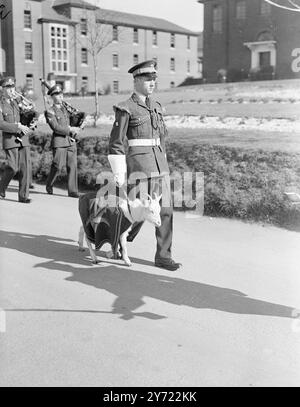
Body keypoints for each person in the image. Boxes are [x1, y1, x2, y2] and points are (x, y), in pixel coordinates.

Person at [108, 60, 182, 271]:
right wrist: (119, 172)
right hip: (139, 167)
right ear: (137, 80)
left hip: (160, 165)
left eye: (154, 79)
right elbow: (116, 142)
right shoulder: (125, 108)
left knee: (165, 211)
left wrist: (165, 160)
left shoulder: (157, 107)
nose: (152, 83)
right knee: (137, 213)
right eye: (148, 79)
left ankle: (163, 256)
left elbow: (162, 137)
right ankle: (119, 242)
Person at [0, 77, 33, 203]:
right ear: (2, 89)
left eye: (12, 87)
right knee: (13, 167)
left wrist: (30, 116)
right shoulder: (1, 104)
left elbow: (27, 116)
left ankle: (23, 196)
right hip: (10, 139)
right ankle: (1, 187)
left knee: (25, 167)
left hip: (23, 138)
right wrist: (17, 126)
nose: (10, 90)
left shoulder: (17, 101)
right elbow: (1, 124)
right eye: (7, 88)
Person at [44, 85, 80, 198]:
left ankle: (73, 191)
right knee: (57, 166)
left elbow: (75, 119)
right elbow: (56, 128)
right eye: (58, 95)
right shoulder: (49, 111)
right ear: (52, 97)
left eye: (61, 94)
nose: (61, 97)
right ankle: (49, 184)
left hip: (71, 141)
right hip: (59, 142)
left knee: (72, 165)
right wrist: (70, 130)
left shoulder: (66, 109)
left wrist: (80, 118)